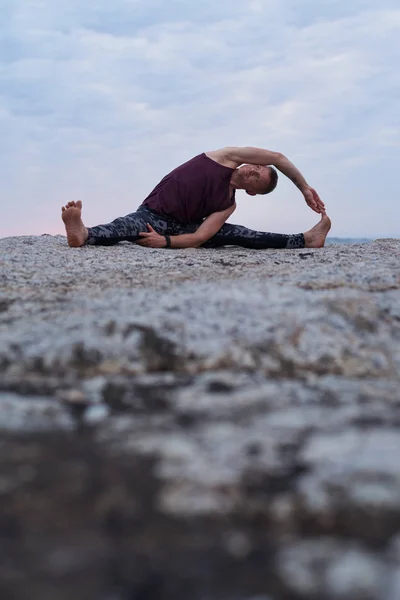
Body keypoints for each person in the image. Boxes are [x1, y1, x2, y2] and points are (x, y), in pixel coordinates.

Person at [61, 146, 331, 250]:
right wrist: (304, 188)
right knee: (125, 226)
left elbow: (200, 237)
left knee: (240, 234)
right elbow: (278, 158)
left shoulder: (228, 204)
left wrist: (165, 242)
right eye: (257, 167)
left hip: (181, 228)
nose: (253, 171)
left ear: (252, 191)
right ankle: (84, 233)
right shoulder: (223, 158)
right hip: (152, 214)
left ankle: (307, 240)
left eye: (257, 178)